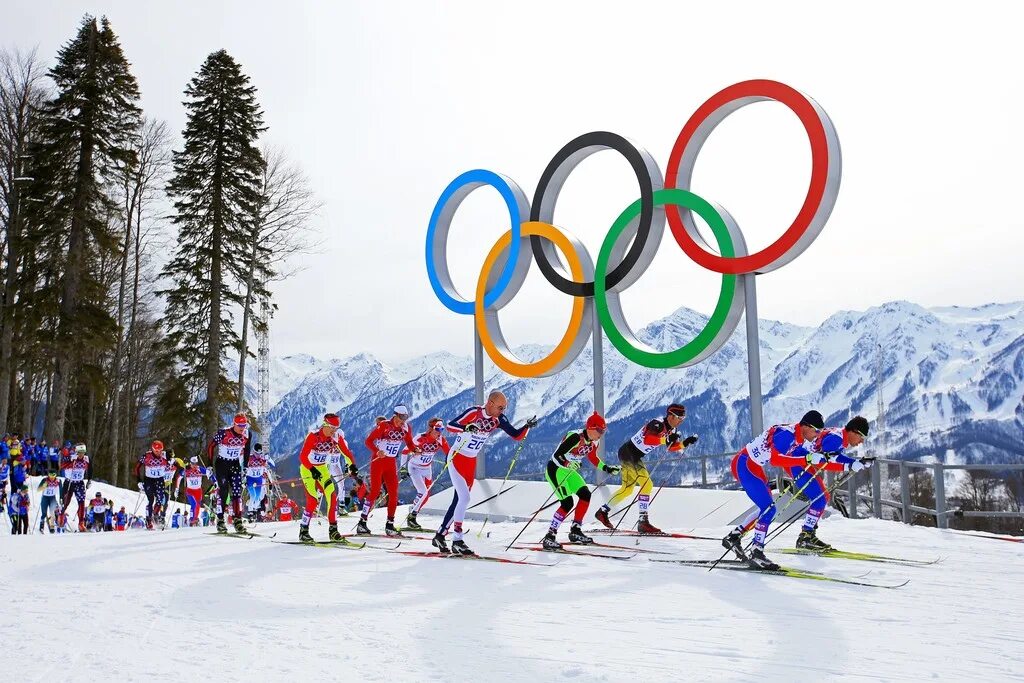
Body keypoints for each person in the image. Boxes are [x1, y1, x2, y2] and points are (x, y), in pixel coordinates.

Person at [721, 410, 828, 570]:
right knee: (769, 509)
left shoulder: (798, 436)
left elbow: (795, 455)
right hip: (745, 465)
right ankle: (756, 551)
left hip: (753, 466)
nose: (817, 435)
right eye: (816, 431)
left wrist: (819, 457)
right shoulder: (787, 435)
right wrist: (807, 459)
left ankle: (734, 536)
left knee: (766, 509)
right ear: (806, 426)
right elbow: (776, 460)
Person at [433, 391, 536, 555]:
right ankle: (457, 539)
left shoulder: (498, 419)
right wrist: (467, 426)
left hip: (470, 462)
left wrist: (527, 427)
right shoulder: (475, 412)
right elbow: (450, 426)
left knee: (459, 500)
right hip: (457, 458)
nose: (502, 411)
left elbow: (516, 435)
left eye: (505, 408)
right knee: (464, 498)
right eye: (500, 407)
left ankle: (440, 535)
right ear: (490, 403)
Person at [593, 403, 698, 534]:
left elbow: (671, 447)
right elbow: (648, 439)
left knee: (626, 490)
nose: (681, 421)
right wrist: (665, 440)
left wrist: (685, 442)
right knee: (647, 485)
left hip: (633, 455)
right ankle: (643, 522)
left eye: (683, 419)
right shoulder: (657, 424)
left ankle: (602, 511)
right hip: (629, 453)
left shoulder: (672, 430)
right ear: (671, 416)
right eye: (679, 418)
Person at [786, 416, 871, 551]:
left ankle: (809, 535)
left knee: (823, 497)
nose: (861, 441)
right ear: (854, 431)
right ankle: (805, 537)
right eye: (861, 437)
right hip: (799, 465)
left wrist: (855, 462)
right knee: (820, 498)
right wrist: (849, 466)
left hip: (802, 463)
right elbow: (825, 463)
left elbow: (835, 456)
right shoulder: (836, 439)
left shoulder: (839, 437)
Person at [541, 413, 620, 549]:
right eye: (600, 430)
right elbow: (558, 454)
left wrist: (607, 468)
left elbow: (593, 457)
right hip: (556, 469)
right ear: (590, 427)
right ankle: (549, 536)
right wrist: (567, 464)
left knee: (585, 495)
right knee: (567, 503)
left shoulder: (595, 441)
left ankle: (575, 530)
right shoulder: (576, 437)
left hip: (570, 471)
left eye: (603, 431)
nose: (601, 434)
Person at [357, 405, 421, 536]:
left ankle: (390, 525)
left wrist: (414, 449)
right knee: (374, 492)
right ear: (395, 415)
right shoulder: (384, 425)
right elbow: (368, 441)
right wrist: (376, 451)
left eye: (405, 418)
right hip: (378, 462)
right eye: (400, 418)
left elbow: (409, 443)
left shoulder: (406, 428)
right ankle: (362, 523)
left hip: (391, 463)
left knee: (394, 494)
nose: (402, 421)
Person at [296, 413, 347, 542]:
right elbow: (302, 457)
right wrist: (312, 469)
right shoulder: (313, 436)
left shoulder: (336, 437)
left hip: (323, 469)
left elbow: (347, 453)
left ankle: (333, 530)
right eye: (332, 427)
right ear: (325, 425)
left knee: (332, 496)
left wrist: (352, 466)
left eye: (336, 427)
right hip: (307, 469)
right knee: (313, 500)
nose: (334, 430)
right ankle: (303, 531)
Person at [207, 413, 253, 533]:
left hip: (235, 465)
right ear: (234, 424)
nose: (242, 428)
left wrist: (246, 467)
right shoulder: (224, 433)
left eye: (244, 425)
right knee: (224, 492)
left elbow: (247, 450)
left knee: (237, 493)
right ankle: (220, 520)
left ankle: (237, 520)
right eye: (240, 425)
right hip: (222, 464)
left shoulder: (247, 434)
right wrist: (209, 465)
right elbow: (211, 447)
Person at [402, 417, 450, 530]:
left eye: (441, 429)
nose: (440, 432)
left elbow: (449, 452)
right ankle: (411, 517)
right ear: (431, 429)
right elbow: (404, 451)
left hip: (427, 469)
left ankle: (413, 515)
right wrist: (403, 469)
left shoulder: (441, 440)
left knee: (426, 496)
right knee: (422, 492)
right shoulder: (420, 438)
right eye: (437, 429)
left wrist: (450, 460)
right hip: (414, 468)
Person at [135, 441, 169, 529]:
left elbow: (174, 464)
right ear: (153, 449)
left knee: (160, 499)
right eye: (156, 451)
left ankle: (155, 514)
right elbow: (137, 467)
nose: (159, 452)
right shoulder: (147, 456)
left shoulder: (165, 456)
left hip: (160, 480)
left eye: (160, 450)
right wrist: (139, 481)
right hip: (149, 480)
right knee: (150, 500)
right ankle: (148, 520)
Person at [326, 427, 358, 518]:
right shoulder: (330, 440)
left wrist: (347, 468)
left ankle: (341, 507)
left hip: (336, 465)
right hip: (328, 465)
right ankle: (317, 505)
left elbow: (346, 456)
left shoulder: (344, 443)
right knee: (325, 484)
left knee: (341, 484)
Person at [61, 444, 91, 531]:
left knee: (81, 502)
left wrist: (89, 480)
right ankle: (61, 516)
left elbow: (90, 469)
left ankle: (81, 522)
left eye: (83, 453)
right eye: (79, 453)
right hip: (69, 482)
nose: (81, 455)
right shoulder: (71, 457)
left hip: (79, 483)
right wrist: (70, 463)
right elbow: (62, 466)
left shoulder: (86, 459)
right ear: (76, 452)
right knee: (66, 501)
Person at [245, 444, 271, 522]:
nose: (258, 455)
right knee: (253, 496)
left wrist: (268, 459)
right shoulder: (249, 458)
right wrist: (243, 480)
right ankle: (250, 514)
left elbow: (272, 465)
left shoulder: (263, 459)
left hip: (259, 480)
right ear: (254, 451)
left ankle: (254, 511)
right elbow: (243, 468)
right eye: (256, 453)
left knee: (258, 498)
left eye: (260, 453)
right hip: (250, 479)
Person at [180, 457, 210, 526]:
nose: (194, 465)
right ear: (190, 463)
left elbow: (209, 473)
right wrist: (184, 468)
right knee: (194, 504)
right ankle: (192, 519)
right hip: (190, 490)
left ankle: (194, 519)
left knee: (197, 505)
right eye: (193, 464)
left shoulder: (200, 469)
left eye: (196, 463)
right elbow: (180, 475)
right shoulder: (187, 469)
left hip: (198, 491)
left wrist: (209, 473)